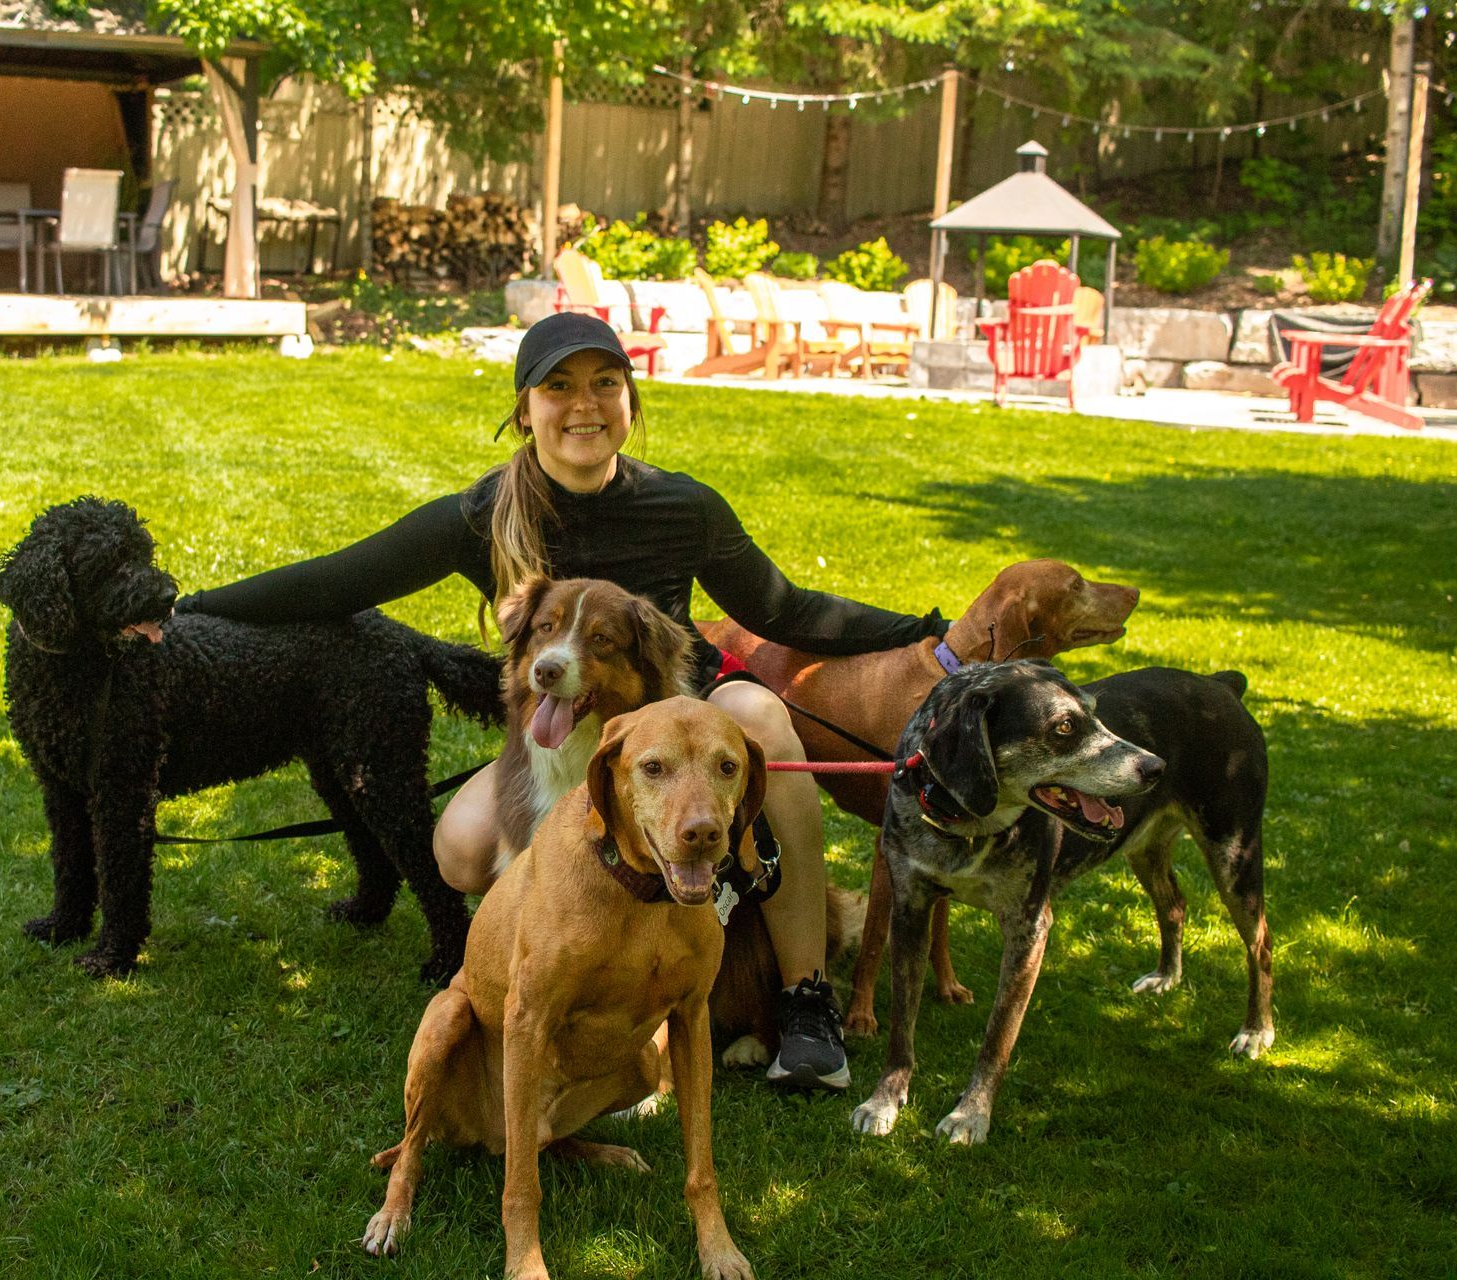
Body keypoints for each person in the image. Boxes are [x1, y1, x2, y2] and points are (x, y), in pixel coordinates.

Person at [176, 311, 948, 1091]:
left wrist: (928, 632)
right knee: (461, 849)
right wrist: (194, 609)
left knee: (762, 720)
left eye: (605, 384)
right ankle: (576, 973)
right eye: (558, 386)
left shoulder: (682, 505)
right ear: (524, 409)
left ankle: (806, 1000)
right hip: (566, 732)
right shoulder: (483, 515)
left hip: (681, 705)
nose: (584, 404)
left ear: (631, 401)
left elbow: (785, 609)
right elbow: (341, 580)